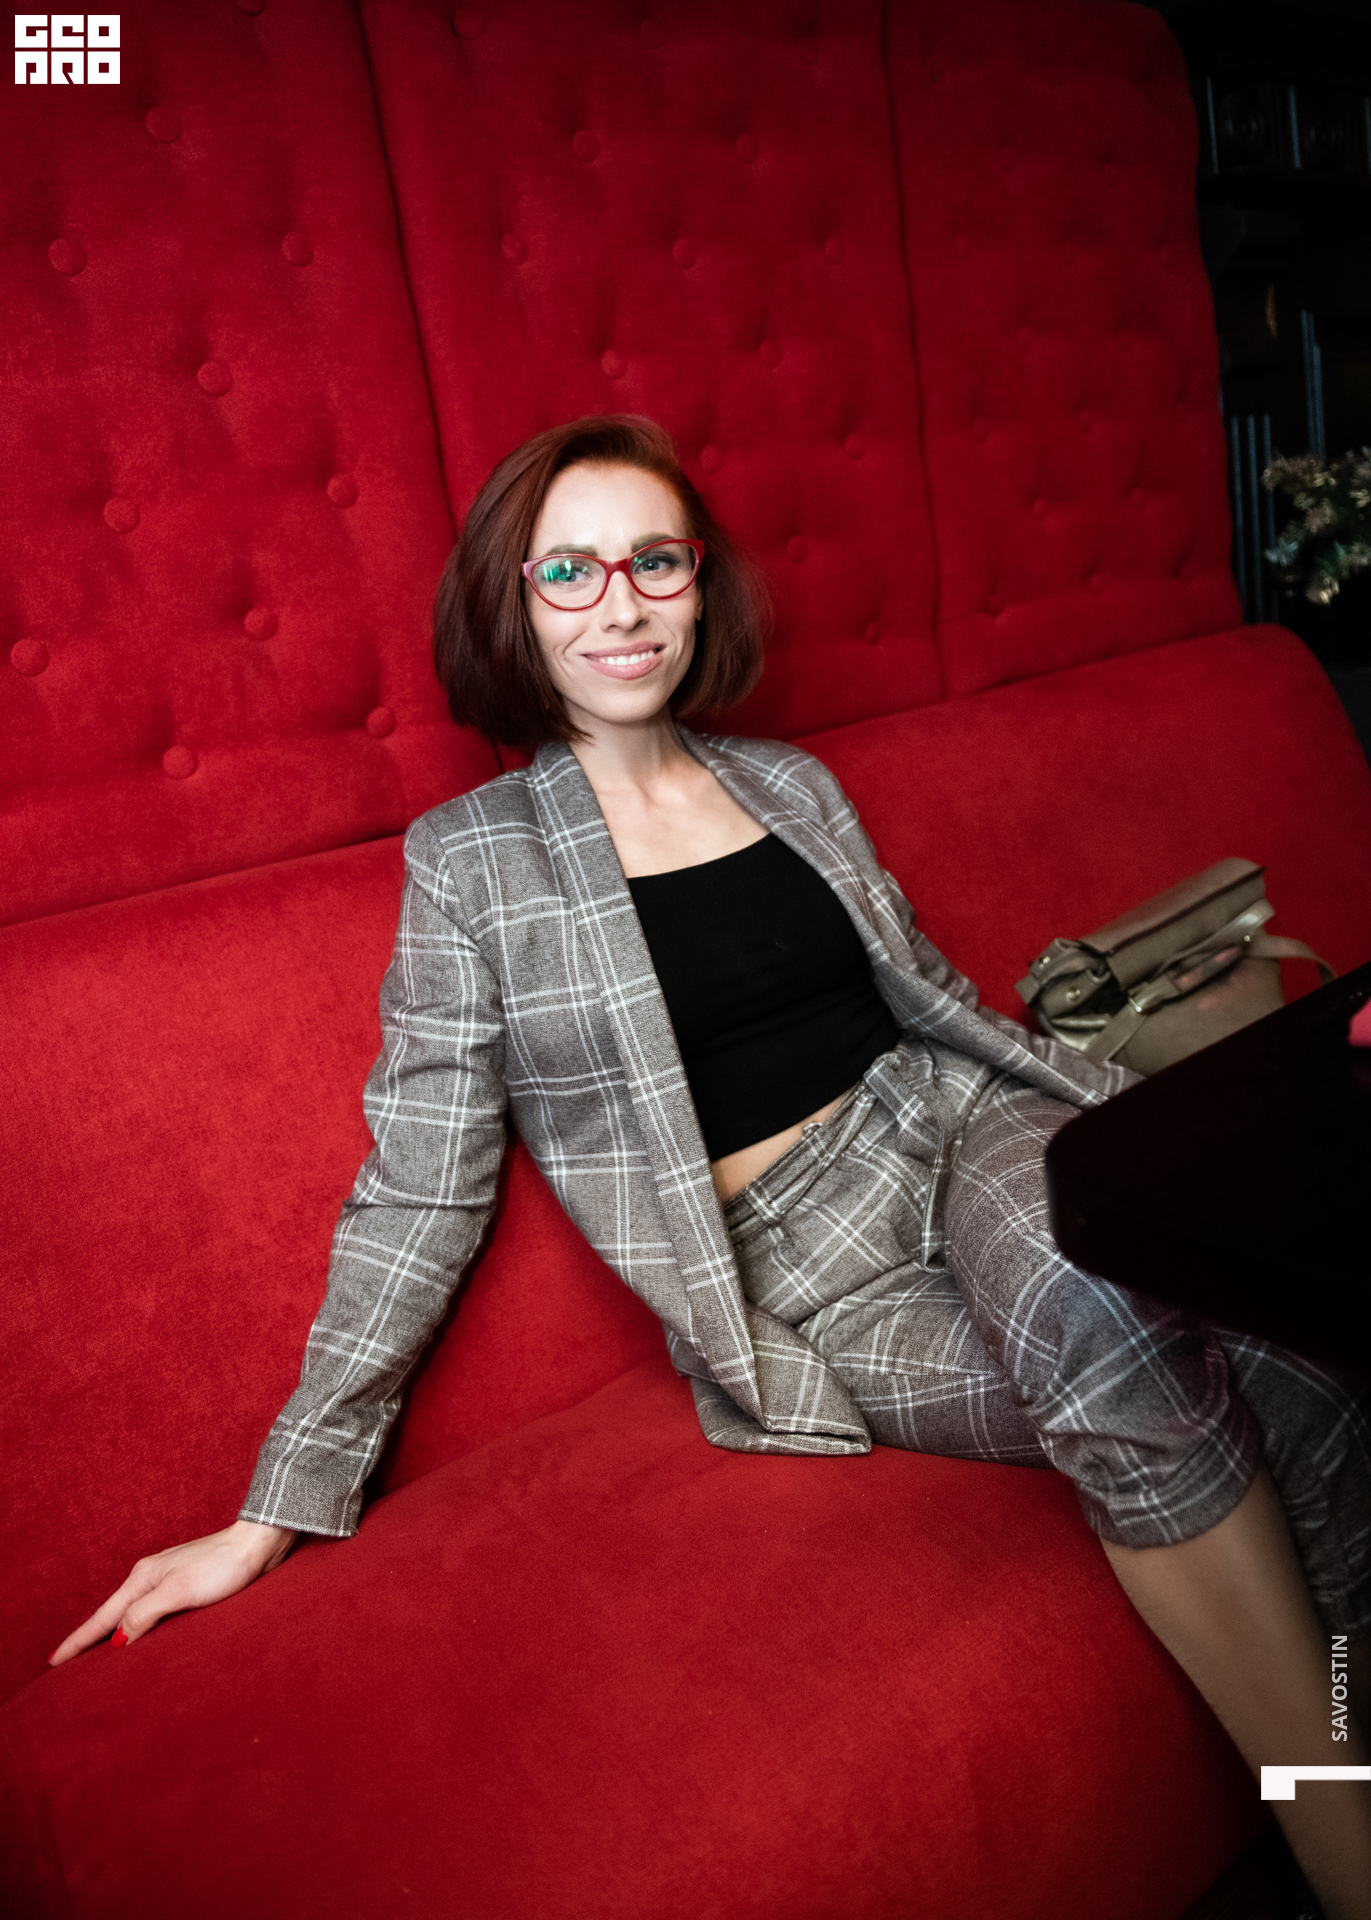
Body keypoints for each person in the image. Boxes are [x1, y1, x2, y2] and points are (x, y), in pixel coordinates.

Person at [53, 416, 1371, 1918]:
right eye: (569, 571)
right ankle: (1343, 1795)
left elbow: (934, 1002)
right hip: (807, 1272)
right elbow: (422, 1184)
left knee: (1127, 1314)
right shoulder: (473, 863)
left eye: (654, 562)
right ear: (512, 605)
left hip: (952, 1128)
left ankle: (1341, 1844)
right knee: (1277, 1385)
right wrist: (277, 1502)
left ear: (698, 584)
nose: (619, 605)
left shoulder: (791, 786)